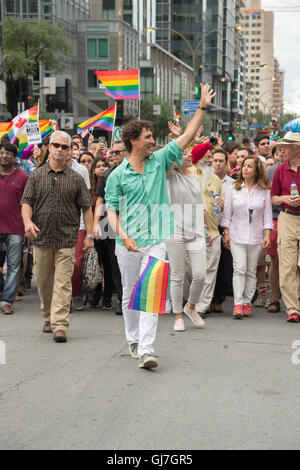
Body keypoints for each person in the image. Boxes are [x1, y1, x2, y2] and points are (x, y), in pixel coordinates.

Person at [105, 83, 215, 369]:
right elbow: (111, 212)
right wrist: (125, 237)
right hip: (127, 243)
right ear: (134, 141)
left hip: (157, 240)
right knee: (129, 292)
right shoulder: (117, 175)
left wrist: (202, 107)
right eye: (148, 137)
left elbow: (188, 136)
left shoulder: (160, 160)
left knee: (150, 291)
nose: (153, 140)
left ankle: (147, 349)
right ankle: (133, 339)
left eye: (153, 136)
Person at [21, 131, 94, 343]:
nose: (60, 150)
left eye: (64, 147)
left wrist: (89, 235)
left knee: (63, 282)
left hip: (67, 238)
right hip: (41, 238)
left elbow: (86, 208)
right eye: (56, 145)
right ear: (49, 148)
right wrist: (27, 222)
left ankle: (60, 324)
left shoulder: (77, 179)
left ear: (70, 151)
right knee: (44, 282)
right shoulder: (36, 175)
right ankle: (47, 316)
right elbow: (26, 203)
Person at [166, 148, 211, 332]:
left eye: (189, 153)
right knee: (177, 275)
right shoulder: (169, 176)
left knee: (200, 275)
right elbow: (167, 158)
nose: (189, 155)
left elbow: (201, 207)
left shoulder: (195, 178)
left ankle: (190, 307)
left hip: (197, 232)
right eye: (184, 153)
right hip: (175, 230)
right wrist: (177, 138)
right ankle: (178, 315)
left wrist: (207, 230)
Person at [222, 157, 273, 319]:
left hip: (256, 236)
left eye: (249, 167)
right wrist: (226, 232)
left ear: (257, 170)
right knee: (239, 269)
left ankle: (246, 303)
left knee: (251, 271)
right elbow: (227, 213)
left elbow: (267, 215)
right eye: (244, 166)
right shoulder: (233, 189)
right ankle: (237, 303)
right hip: (236, 235)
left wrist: (267, 234)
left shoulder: (264, 191)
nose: (245, 169)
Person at [93, 142, 128, 313]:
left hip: (136, 223)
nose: (113, 155)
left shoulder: (138, 169)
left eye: (116, 152)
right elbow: (100, 199)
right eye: (111, 152)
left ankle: (134, 300)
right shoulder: (108, 174)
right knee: (115, 265)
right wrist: (95, 224)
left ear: (127, 152)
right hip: (113, 226)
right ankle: (122, 300)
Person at [190, 142, 224, 317]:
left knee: (210, 270)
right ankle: (190, 302)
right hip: (191, 231)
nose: (211, 160)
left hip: (212, 232)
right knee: (193, 270)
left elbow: (219, 204)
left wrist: (221, 206)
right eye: (208, 157)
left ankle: (202, 306)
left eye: (211, 157)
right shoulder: (188, 175)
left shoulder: (216, 179)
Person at [270, 131, 300, 323]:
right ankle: (292, 309)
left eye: (286, 146)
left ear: (297, 148)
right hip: (287, 218)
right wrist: (284, 199)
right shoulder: (280, 170)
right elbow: (273, 197)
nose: (282, 150)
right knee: (287, 266)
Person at [0, 142, 29, 315]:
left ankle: (7, 301)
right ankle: (3, 289)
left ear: (14, 156)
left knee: (13, 265)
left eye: (8, 154)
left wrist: (27, 226)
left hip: (16, 228)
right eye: (2, 153)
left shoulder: (23, 178)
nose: (4, 156)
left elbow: (28, 203)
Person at [265, 144, 287, 313]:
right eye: (280, 150)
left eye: (285, 149)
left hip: (294, 217)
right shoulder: (270, 171)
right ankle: (274, 298)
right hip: (274, 218)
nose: (282, 152)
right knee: (275, 260)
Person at [211, 149, 234, 313]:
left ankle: (218, 299)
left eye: (221, 161)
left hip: (225, 227)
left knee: (223, 264)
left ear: (226, 163)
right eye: (215, 160)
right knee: (208, 263)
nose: (218, 164)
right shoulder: (205, 180)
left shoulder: (232, 184)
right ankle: (206, 299)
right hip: (208, 226)